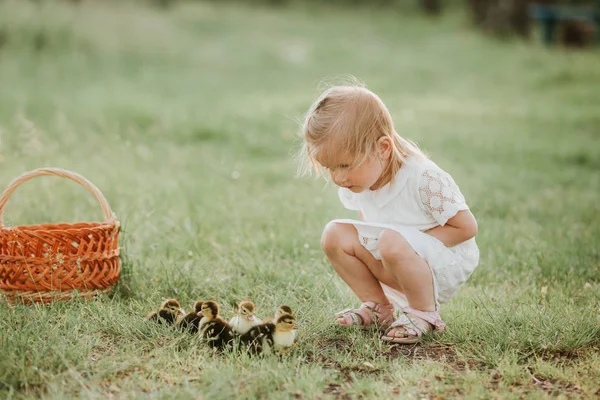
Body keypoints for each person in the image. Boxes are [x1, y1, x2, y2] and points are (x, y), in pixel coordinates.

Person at [297, 83, 479, 344]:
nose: (338, 177)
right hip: (393, 255)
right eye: (330, 168)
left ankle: (424, 313)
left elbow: (465, 228)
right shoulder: (358, 181)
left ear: (383, 148)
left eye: (345, 165)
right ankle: (379, 308)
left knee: (390, 239)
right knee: (334, 234)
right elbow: (368, 226)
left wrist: (408, 244)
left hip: (441, 264)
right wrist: (388, 247)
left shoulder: (423, 178)